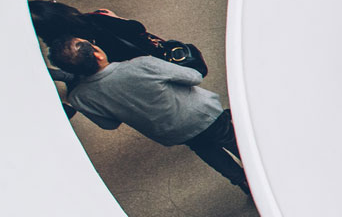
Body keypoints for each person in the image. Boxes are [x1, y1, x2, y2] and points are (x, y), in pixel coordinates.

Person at [56, 38, 250, 193]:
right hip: (203, 114)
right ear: (97, 54)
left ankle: (242, 182)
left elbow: (109, 125)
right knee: (235, 142)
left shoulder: (79, 98)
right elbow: (194, 77)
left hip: (172, 132)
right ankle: (258, 172)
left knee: (208, 152)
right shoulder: (140, 65)